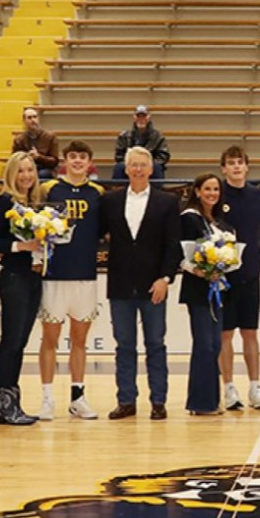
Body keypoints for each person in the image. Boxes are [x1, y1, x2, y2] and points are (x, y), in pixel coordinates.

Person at [101, 147, 182, 420]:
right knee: (124, 345)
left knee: (155, 344)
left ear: (151, 169)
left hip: (154, 285)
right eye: (133, 165)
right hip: (121, 285)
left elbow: (173, 245)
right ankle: (126, 401)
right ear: (126, 169)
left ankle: (158, 401)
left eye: (142, 165)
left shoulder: (167, 202)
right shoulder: (110, 201)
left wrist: (165, 278)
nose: (138, 170)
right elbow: (97, 234)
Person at [39, 142, 107, 421]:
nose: (77, 161)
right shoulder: (48, 189)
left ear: (90, 162)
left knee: (79, 340)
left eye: (83, 157)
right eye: (72, 156)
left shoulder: (98, 193)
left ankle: (78, 397)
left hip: (85, 275)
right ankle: (47, 398)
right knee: (49, 339)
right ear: (64, 161)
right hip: (54, 275)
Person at [0, 152, 45, 427]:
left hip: (33, 277)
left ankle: (13, 403)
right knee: (10, 340)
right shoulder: (3, 203)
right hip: (14, 277)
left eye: (30, 170)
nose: (26, 175)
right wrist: (20, 246)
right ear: (11, 174)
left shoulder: (37, 205)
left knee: (20, 342)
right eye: (20, 170)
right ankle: (4, 405)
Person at [216, 146, 260, 411]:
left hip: (250, 272)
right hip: (223, 276)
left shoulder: (256, 195)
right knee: (225, 333)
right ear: (224, 168)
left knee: (250, 332)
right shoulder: (217, 194)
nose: (236, 166)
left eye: (240, 162)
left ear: (247, 167)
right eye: (231, 163)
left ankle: (255, 387)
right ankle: (228, 388)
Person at [178, 174, 229, 416]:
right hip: (197, 290)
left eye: (216, 189)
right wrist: (198, 270)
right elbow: (181, 254)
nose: (212, 193)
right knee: (205, 345)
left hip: (216, 288)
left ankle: (211, 401)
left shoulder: (216, 221)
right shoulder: (189, 218)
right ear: (197, 191)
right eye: (207, 189)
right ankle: (200, 403)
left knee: (215, 344)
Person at [112, 105, 171, 180]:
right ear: (134, 117)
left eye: (144, 116)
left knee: (156, 167)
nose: (141, 119)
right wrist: (131, 164)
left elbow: (163, 156)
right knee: (119, 167)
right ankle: (118, 187)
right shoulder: (124, 135)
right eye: (138, 116)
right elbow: (119, 155)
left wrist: (147, 164)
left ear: (148, 117)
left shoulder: (158, 136)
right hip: (130, 164)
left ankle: (155, 188)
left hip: (150, 164)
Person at [11, 106, 61, 179]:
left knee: (40, 174)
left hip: (45, 168)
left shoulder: (50, 137)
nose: (33, 120)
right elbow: (14, 160)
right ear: (24, 121)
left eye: (35, 117)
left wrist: (38, 157)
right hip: (25, 168)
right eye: (29, 118)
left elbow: (54, 161)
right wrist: (26, 157)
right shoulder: (19, 140)